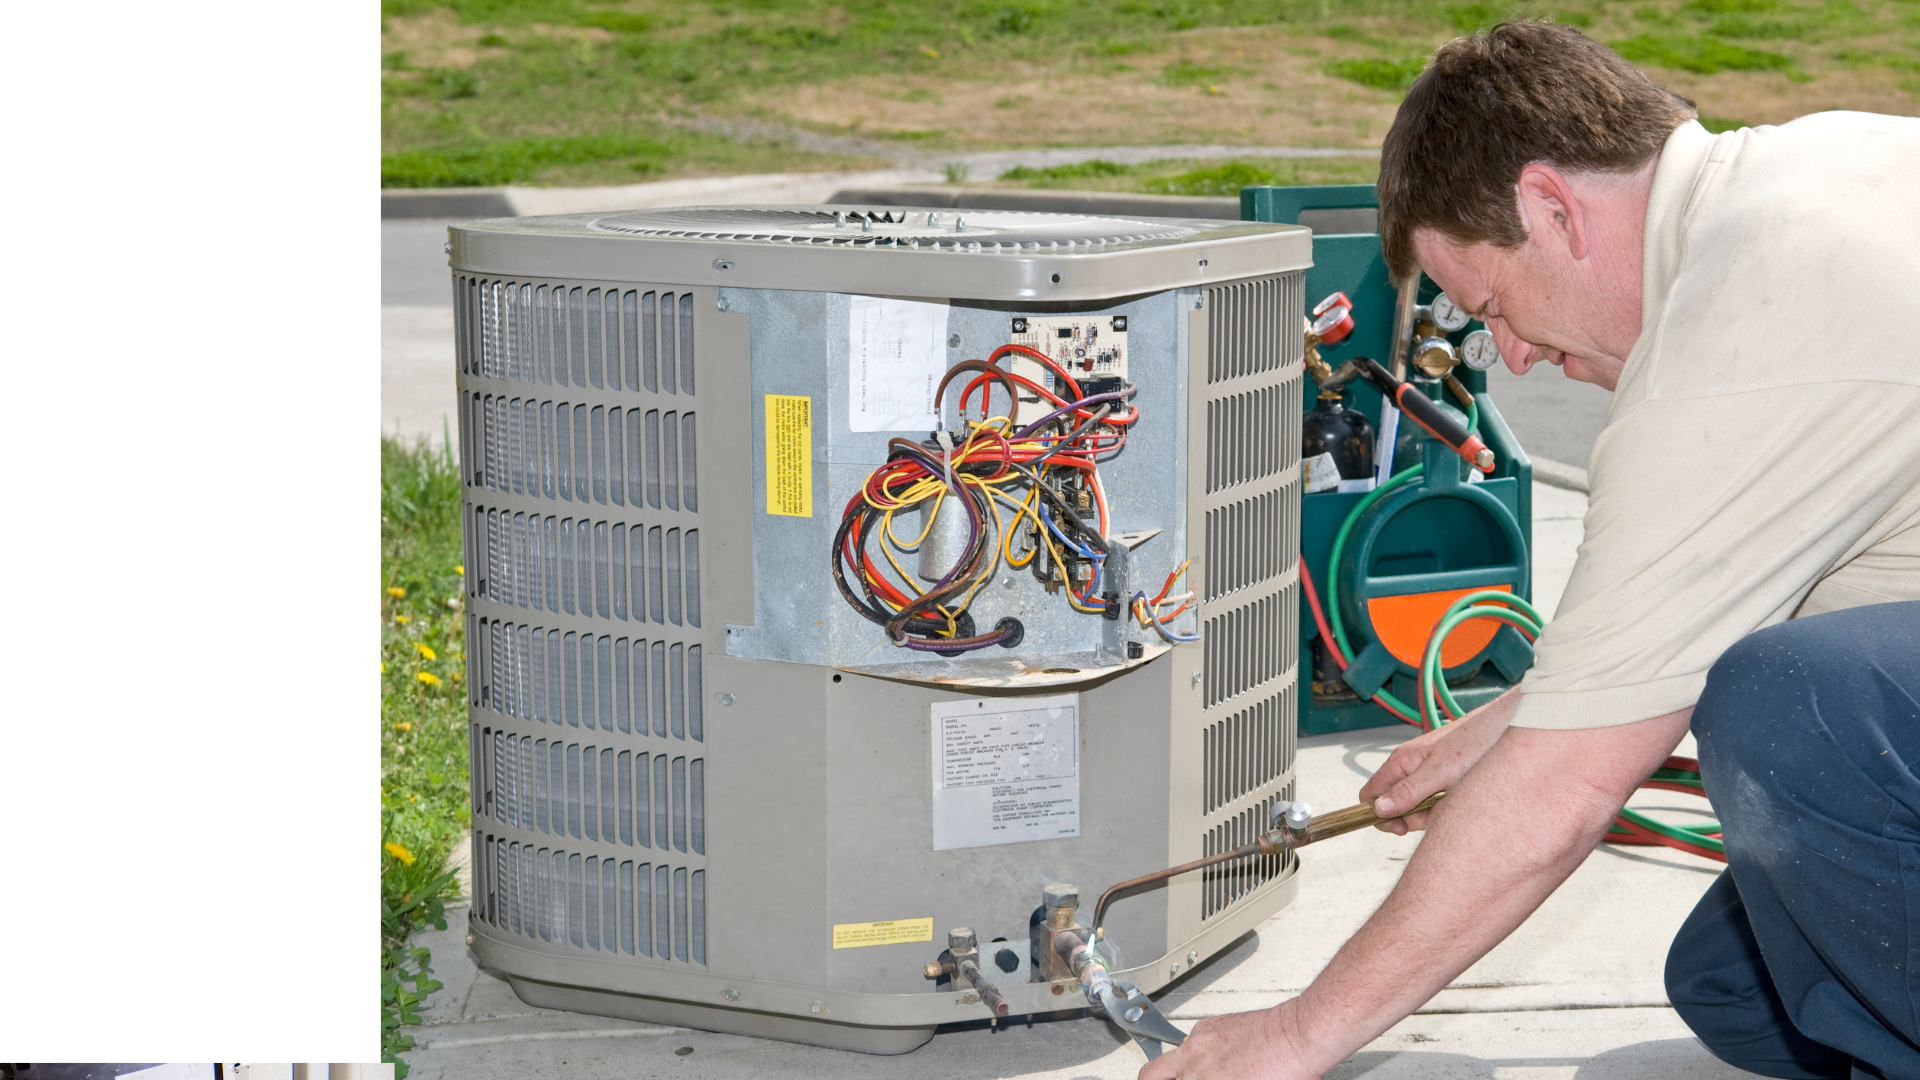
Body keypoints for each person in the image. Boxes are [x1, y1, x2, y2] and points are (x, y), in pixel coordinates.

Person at [1141, 21, 1920, 1080]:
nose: (1510, 356)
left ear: (1554, 207)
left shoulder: (1737, 341)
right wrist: (1502, 726)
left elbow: (1564, 790)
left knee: (1791, 704)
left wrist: (1297, 1032)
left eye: (1492, 305)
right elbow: (1729, 586)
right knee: (1745, 987)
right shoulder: (1810, 173)